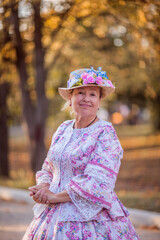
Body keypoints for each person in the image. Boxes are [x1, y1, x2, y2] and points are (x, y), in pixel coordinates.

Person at [23, 67, 140, 240]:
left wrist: (54, 196)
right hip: (51, 214)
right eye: (80, 93)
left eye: (93, 94)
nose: (86, 98)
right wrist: (43, 186)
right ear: (70, 98)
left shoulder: (105, 132)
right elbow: (48, 167)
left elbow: (98, 182)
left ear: (100, 101)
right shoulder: (63, 129)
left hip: (91, 217)